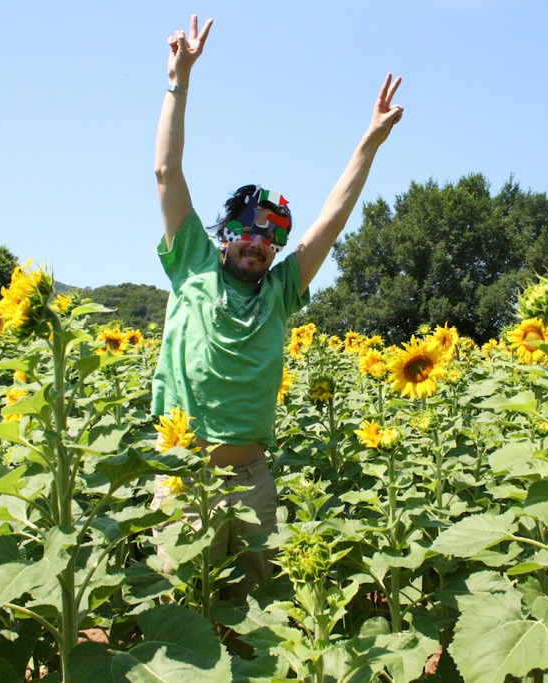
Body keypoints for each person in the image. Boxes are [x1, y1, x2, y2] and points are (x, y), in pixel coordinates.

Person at [150, 14, 403, 599]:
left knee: (263, 615)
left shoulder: (281, 291)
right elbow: (166, 172)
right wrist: (177, 80)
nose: (260, 239)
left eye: (272, 234)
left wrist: (368, 142)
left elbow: (331, 222)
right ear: (226, 233)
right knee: (182, 610)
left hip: (253, 479)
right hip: (185, 478)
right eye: (248, 228)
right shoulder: (192, 262)